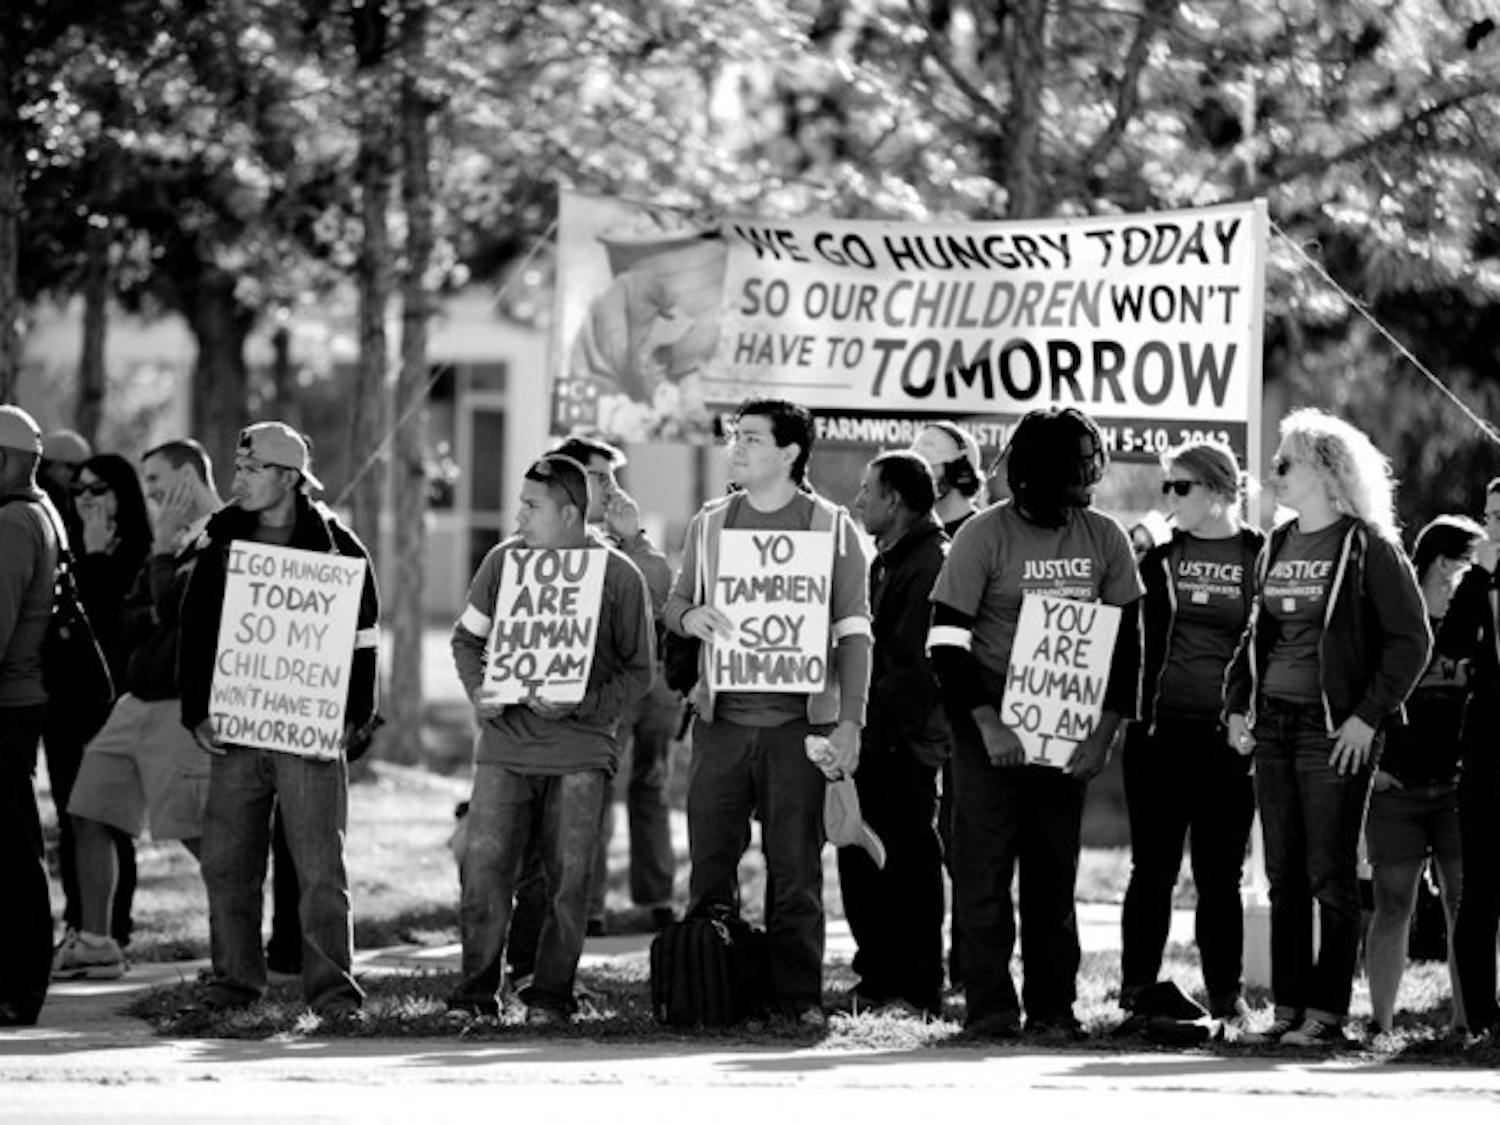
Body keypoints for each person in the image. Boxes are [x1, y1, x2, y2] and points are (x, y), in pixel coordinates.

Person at [928, 406, 1142, 1040]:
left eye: (1086, 480)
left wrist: (1106, 732)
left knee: (1053, 876)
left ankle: (1054, 1009)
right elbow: (943, 641)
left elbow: (1128, 644)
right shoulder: (982, 535)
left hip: (1068, 727)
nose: (1080, 493)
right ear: (1030, 478)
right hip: (987, 723)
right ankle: (991, 1008)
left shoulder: (1105, 537)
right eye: (1070, 479)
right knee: (983, 870)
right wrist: (989, 723)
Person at [1225, 408, 1429, 1048]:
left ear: (1326, 470)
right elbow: (1257, 637)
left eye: (1286, 463)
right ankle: (1288, 1009)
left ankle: (1327, 1014)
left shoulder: (1366, 544)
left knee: (1329, 876)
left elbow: (1410, 641)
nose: (1274, 473)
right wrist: (1237, 706)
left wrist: (1368, 718)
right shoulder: (1278, 545)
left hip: (1333, 729)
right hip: (1275, 725)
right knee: (1283, 876)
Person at [665, 398, 871, 1028]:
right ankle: (711, 992)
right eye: (735, 435)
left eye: (752, 438)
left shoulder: (831, 526)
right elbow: (674, 606)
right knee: (710, 866)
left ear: (790, 453)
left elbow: (855, 632)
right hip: (722, 727)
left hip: (798, 731)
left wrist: (850, 721)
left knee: (796, 871)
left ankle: (798, 999)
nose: (737, 446)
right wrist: (689, 617)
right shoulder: (710, 522)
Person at [179, 422, 381, 1016]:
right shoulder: (221, 542)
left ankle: (334, 994)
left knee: (320, 868)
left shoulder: (340, 548)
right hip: (235, 732)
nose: (236, 480)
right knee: (227, 863)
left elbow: (364, 639)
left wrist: (355, 714)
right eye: (237, 468)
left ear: (288, 478)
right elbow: (195, 631)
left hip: (310, 733)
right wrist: (197, 711)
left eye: (250, 470)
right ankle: (235, 984)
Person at [447, 453, 654, 1024]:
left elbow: (640, 672)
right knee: (484, 878)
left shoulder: (618, 576)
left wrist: (583, 705)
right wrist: (477, 690)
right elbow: (466, 641)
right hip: (503, 751)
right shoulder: (502, 562)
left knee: (569, 887)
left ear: (568, 513)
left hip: (581, 754)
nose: (519, 516)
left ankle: (550, 998)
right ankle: (475, 998)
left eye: (531, 506)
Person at [51, 440, 222, 981]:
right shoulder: (171, 542)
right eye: (145, 480)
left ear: (189, 478)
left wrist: (165, 564)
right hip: (135, 699)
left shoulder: (222, 533)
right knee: (87, 811)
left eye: (156, 479)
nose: (147, 491)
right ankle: (97, 943)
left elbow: (179, 611)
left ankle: (239, 948)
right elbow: (129, 618)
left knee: (194, 832)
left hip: (180, 704)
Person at [1119, 440, 1263, 1025]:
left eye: (1182, 487)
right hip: (1160, 734)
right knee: (1152, 868)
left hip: (1229, 739)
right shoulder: (1158, 558)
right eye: (1167, 487)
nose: (1170, 498)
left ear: (1220, 491)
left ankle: (1226, 996)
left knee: (1219, 875)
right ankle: (1135, 991)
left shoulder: (1264, 555)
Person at [552, 435, 677, 936]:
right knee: (595, 789)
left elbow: (661, 591)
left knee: (652, 786)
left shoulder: (627, 540)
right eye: (601, 477)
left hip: (657, 687)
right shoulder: (564, 540)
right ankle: (592, 904)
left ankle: (658, 897)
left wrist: (636, 539)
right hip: (607, 688)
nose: (613, 489)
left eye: (613, 476)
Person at [842, 450, 949, 1017]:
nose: (859, 500)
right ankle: (877, 978)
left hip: (903, 744)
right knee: (862, 859)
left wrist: (860, 702)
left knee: (906, 865)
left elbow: (913, 664)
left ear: (897, 501)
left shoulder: (930, 561)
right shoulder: (887, 558)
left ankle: (917, 987)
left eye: (868, 490)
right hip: (872, 739)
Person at [1365, 515, 1479, 1037]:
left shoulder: (1480, 623)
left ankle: (1465, 1023)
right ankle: (1381, 1024)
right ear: (1444, 563)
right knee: (1392, 906)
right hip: (1397, 790)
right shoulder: (1396, 622)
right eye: (1470, 563)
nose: (1477, 573)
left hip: (1459, 790)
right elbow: (1364, 696)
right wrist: (1375, 768)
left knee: (1465, 906)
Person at [43, 452, 149, 953]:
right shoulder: (67, 545)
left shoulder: (144, 553)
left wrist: (98, 556)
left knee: (107, 818)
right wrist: (85, 553)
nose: (85, 497)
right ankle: (78, 925)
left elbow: (106, 624)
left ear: (122, 494)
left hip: (114, 704)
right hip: (65, 703)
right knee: (70, 817)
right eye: (78, 489)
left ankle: (112, 929)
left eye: (98, 488)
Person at [908, 421, 983, 987]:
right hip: (914, 717)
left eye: (931, 460)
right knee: (919, 846)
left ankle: (972, 966)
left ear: (960, 469)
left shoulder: (984, 533)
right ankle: (920, 967)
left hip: (967, 714)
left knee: (968, 846)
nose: (920, 468)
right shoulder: (907, 537)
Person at [1434, 477, 1500, 1044]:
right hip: (1486, 750)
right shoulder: (1479, 583)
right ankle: (1481, 1019)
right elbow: (1450, 646)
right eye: (1491, 513)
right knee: (1480, 890)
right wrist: (1480, 575)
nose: (1495, 523)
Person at [0, 406, 59, 1026]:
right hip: (21, 705)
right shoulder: (40, 511)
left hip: (7, 708)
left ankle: (18, 987)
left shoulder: (14, 522)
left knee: (12, 852)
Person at [909, 421, 984, 537]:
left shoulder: (982, 534)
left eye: (929, 466)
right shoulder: (910, 532)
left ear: (960, 473)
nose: (918, 476)